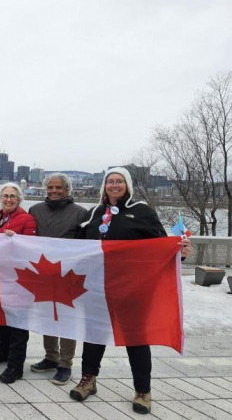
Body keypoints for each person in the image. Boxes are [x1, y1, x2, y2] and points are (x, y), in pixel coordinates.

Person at [69, 167, 192, 415]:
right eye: (110, 181)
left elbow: (161, 245)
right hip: (97, 287)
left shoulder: (142, 211)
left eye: (119, 181)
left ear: (128, 185)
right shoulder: (95, 213)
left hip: (133, 289)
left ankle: (143, 391)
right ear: (104, 186)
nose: (114, 185)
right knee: (94, 335)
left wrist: (180, 251)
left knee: (136, 338)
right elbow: (75, 246)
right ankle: (88, 379)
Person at [28, 173, 87, 385]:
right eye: (50, 188)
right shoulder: (35, 210)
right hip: (43, 274)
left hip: (68, 276)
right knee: (47, 318)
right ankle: (51, 357)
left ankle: (65, 364)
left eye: (58, 188)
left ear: (66, 190)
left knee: (67, 320)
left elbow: (87, 246)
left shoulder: (80, 213)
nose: (54, 191)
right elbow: (27, 238)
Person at [0, 183, 38, 384]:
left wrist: (16, 240)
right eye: (5, 196)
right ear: (0, 198)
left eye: (13, 196)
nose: (9, 199)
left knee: (19, 321)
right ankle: (3, 350)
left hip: (19, 277)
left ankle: (16, 366)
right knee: (4, 317)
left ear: (19, 199)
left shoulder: (27, 219)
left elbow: (32, 247)